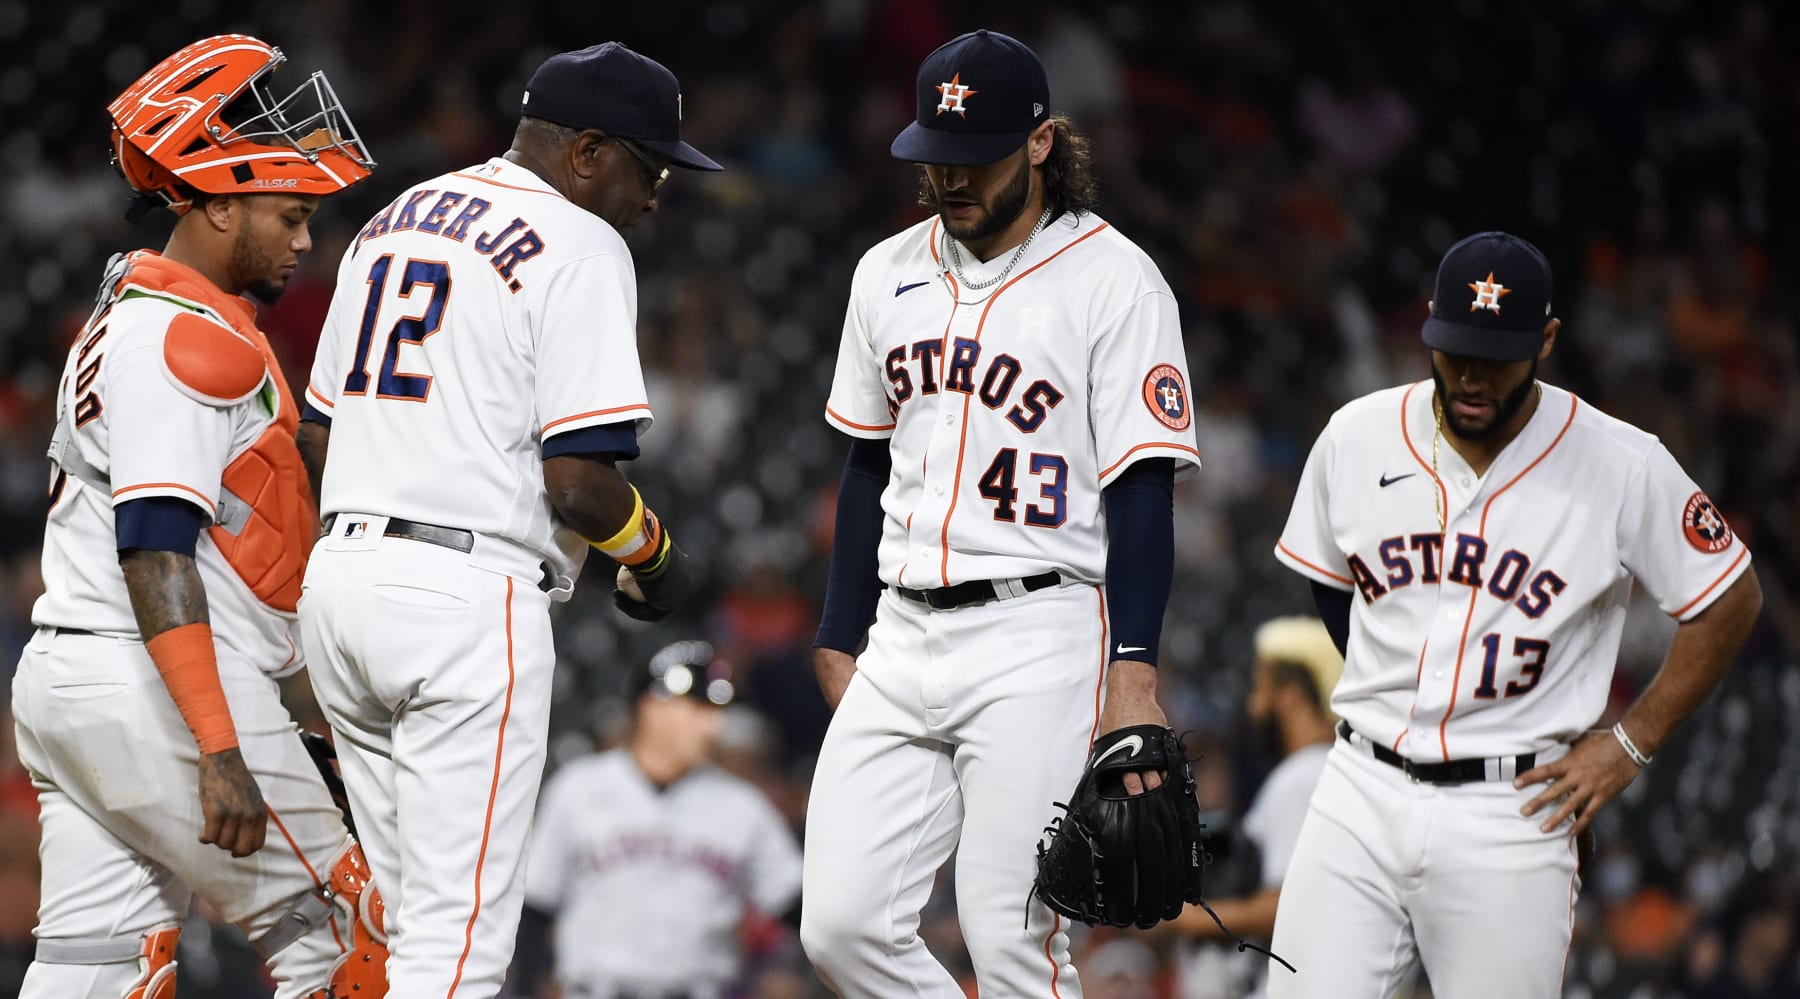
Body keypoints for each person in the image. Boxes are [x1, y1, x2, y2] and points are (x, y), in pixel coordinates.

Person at [296, 42, 717, 998]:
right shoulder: (580, 240)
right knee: (462, 942)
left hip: (341, 585)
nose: (653, 195)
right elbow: (578, 484)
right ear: (586, 152)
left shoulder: (389, 221)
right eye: (646, 167)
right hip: (463, 600)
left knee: (407, 926)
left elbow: (316, 435)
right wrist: (654, 555)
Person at [801, 29, 1200, 997]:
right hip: (900, 630)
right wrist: (836, 630)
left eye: (974, 158)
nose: (950, 180)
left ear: (1040, 143)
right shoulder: (885, 271)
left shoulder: (1114, 278)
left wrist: (1134, 671)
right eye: (936, 159)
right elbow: (866, 461)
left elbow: (1142, 484)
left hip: (1038, 629)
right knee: (842, 930)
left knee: (1010, 934)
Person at [1267, 231, 1763, 996]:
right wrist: (1389, 680)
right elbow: (1330, 583)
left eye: (1496, 357)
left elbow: (1730, 595)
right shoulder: (1356, 435)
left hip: (1514, 809)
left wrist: (1631, 743)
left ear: (1547, 340)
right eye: (1455, 349)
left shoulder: (1621, 462)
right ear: (1430, 324)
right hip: (1358, 791)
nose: (1470, 376)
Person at [12, 34, 388, 999]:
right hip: (161, 687)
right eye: (289, 214)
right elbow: (156, 547)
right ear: (217, 200)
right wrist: (219, 747)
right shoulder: (184, 339)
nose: (307, 241)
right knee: (351, 944)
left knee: (97, 973)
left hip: (77, 682)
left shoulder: (140, 312)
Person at [509, 640, 802, 999]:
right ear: (651, 707)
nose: (712, 728)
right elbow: (536, 908)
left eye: (716, 712)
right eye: (697, 710)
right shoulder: (579, 788)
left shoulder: (742, 806)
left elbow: (798, 907)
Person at [1172, 617, 1341, 998]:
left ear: (1291, 694)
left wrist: (1186, 920)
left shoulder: (1304, 775)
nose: (1252, 704)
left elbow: (1292, 906)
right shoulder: (1324, 769)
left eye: (1260, 687)